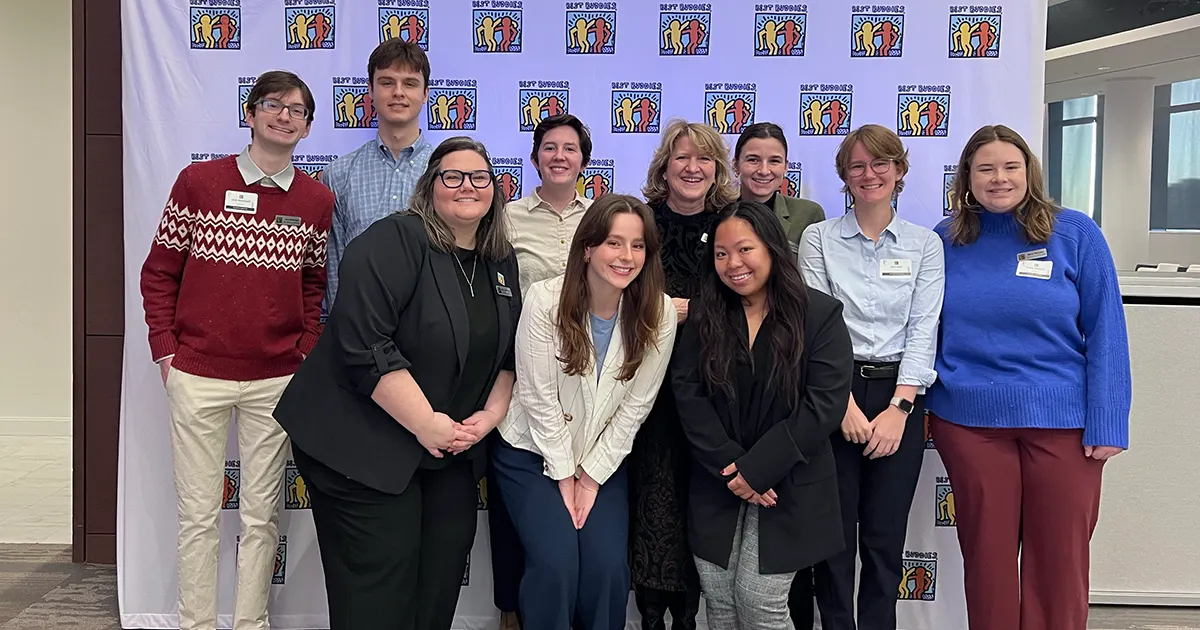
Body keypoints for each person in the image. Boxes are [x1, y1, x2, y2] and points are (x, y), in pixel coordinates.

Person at [272, 136, 523, 630]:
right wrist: (426, 422)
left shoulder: (501, 260)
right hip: (361, 442)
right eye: (452, 176)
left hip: (447, 448)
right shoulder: (393, 241)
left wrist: (488, 418)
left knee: (440, 582)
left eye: (480, 177)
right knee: (379, 597)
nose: (467, 186)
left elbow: (509, 357)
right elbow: (366, 345)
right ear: (429, 187)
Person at [139, 70, 332, 630]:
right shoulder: (198, 182)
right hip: (197, 373)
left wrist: (304, 348)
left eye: (297, 110)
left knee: (262, 516)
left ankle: (250, 624)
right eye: (273, 104)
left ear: (308, 126)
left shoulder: (316, 200)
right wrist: (165, 352)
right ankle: (196, 624)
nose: (284, 116)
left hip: (274, 379)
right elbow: (159, 274)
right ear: (250, 113)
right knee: (198, 516)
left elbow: (315, 284)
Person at [928, 124, 1131, 630]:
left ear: (1029, 172)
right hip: (968, 422)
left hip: (1064, 422)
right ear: (967, 178)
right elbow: (921, 329)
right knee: (988, 563)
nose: (1000, 178)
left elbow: (1107, 330)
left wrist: (1109, 421)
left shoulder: (1075, 234)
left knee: (1060, 563)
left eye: (1011, 167)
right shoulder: (944, 239)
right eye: (986, 168)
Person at [493, 194, 678, 630]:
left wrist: (590, 477)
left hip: (600, 460)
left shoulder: (660, 310)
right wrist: (564, 474)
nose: (626, 256)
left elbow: (636, 407)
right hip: (531, 453)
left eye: (637, 246)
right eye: (614, 243)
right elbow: (538, 399)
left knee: (607, 571)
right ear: (589, 247)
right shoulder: (544, 299)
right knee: (556, 566)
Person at [673, 200, 853, 629]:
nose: (733, 263)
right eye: (721, 253)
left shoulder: (820, 314)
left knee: (760, 603)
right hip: (717, 477)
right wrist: (730, 465)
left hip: (790, 480)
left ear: (772, 247)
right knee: (718, 600)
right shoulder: (705, 314)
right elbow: (687, 393)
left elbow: (824, 404)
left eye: (745, 249)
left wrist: (757, 469)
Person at [799, 124, 945, 630]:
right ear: (844, 175)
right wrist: (842, 404)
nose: (869, 174)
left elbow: (924, 330)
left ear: (899, 171)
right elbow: (816, 326)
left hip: (898, 397)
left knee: (885, 540)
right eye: (857, 166)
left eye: (881, 163)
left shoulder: (926, 245)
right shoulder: (817, 239)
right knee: (833, 540)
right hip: (833, 392)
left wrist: (900, 409)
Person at [628, 119, 739, 630]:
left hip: (716, 385)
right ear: (664, 167)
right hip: (643, 386)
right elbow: (614, 288)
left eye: (704, 159)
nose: (692, 168)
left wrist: (693, 310)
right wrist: (655, 309)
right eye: (681, 157)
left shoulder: (734, 222)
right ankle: (651, 613)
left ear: (717, 169)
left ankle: (693, 613)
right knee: (653, 496)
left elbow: (751, 294)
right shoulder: (640, 221)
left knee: (702, 497)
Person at [492, 113, 595, 630]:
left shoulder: (601, 219)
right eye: (549, 147)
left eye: (570, 148)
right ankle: (513, 611)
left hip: (590, 379)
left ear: (583, 160)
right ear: (534, 158)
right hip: (521, 369)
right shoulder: (506, 217)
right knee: (520, 517)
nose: (559, 155)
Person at [322, 37, 435, 311]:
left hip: (432, 329)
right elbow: (334, 262)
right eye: (387, 82)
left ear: (425, 94)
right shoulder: (338, 173)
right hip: (358, 328)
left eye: (410, 83)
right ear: (370, 90)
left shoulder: (447, 172)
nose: (398, 92)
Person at [732, 122, 826, 256]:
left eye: (774, 161)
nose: (764, 171)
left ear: (786, 167)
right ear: (735, 165)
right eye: (753, 160)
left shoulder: (808, 215)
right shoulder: (717, 212)